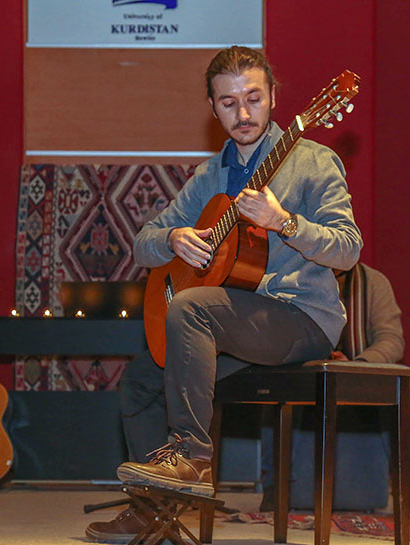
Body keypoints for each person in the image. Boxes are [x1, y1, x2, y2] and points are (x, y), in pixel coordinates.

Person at [85, 46, 362, 542]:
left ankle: (192, 457)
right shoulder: (208, 176)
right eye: (229, 103)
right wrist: (173, 238)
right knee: (142, 379)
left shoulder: (314, 162)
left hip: (302, 317)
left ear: (273, 97)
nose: (243, 113)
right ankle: (151, 511)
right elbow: (144, 242)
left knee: (191, 308)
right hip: (235, 319)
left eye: (253, 98)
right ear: (213, 109)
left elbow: (348, 249)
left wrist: (284, 222)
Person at [258, 263, 410, 517]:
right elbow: (278, 334)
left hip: (360, 370)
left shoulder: (374, 282)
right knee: (275, 389)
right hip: (308, 369)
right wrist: (319, 361)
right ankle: (274, 490)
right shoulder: (293, 278)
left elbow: (392, 339)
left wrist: (357, 364)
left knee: (402, 388)